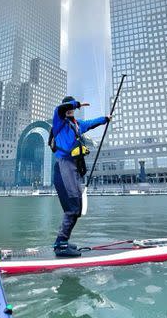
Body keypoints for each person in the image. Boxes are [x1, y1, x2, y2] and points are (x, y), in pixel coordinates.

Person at [52, 96, 109, 257]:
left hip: (74, 167)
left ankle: (63, 241)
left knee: (76, 208)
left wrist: (105, 119)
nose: (70, 110)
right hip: (64, 165)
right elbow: (60, 109)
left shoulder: (77, 125)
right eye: (68, 107)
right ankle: (60, 245)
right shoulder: (59, 122)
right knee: (72, 207)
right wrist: (76, 104)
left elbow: (90, 123)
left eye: (72, 108)